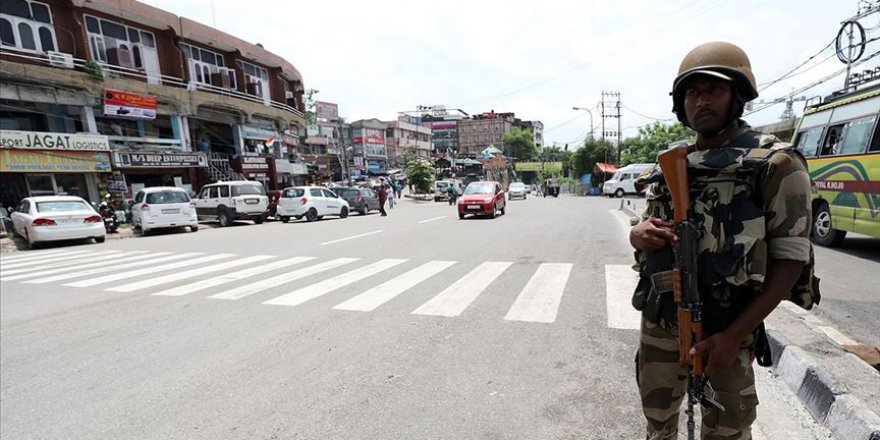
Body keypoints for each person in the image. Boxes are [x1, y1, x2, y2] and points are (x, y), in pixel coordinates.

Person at [629, 41, 816, 440]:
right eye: (692, 94)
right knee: (658, 425)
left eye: (713, 90)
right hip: (662, 319)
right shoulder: (671, 164)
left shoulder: (776, 163)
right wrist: (638, 233)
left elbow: (791, 261)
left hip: (728, 326)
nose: (701, 101)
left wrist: (734, 336)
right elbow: (650, 226)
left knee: (727, 430)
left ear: (738, 95)